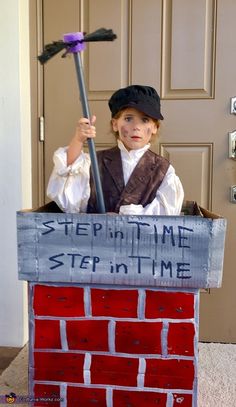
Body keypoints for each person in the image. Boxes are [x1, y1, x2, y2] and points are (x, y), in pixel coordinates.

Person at [47, 85, 184, 215]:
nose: (136, 126)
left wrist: (123, 217)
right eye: (128, 118)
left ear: (155, 127)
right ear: (115, 124)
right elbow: (67, 192)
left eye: (144, 119)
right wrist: (78, 139)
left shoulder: (163, 170)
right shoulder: (95, 162)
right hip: (96, 238)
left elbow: (166, 213)